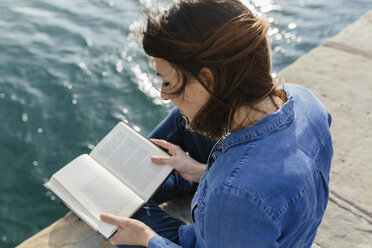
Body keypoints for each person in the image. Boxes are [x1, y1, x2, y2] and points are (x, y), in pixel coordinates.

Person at [100, 0, 334, 247]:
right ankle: (178, 177)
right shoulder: (304, 99)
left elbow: (245, 192)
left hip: (215, 230)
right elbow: (269, 186)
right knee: (182, 118)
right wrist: (201, 170)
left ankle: (140, 183)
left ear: (207, 80)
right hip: (242, 214)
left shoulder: (234, 196)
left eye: (168, 83)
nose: (163, 95)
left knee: (105, 203)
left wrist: (147, 239)